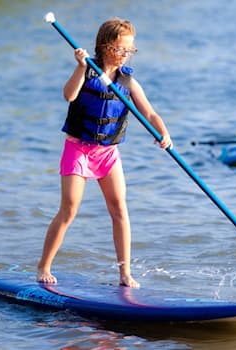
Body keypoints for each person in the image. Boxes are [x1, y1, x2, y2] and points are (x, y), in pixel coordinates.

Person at [37, 18, 173, 288]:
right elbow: (69, 95)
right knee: (69, 210)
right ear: (105, 46)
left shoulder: (128, 81)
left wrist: (164, 133)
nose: (126, 54)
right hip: (78, 149)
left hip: (108, 153)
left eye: (130, 50)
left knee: (120, 210)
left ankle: (125, 274)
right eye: (121, 49)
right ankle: (44, 266)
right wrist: (79, 67)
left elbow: (149, 112)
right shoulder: (87, 70)